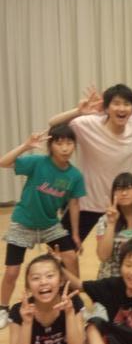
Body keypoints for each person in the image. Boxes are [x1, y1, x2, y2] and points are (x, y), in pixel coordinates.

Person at [0, 125, 85, 329]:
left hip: (49, 225)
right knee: (12, 271)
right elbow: (3, 162)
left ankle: (74, 300)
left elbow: (74, 203)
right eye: (59, 143)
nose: (65, 148)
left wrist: (75, 234)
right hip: (23, 222)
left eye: (69, 143)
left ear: (74, 146)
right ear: (51, 145)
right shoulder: (38, 162)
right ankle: (2, 308)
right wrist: (26, 146)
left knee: (71, 257)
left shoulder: (75, 175)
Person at [48, 84, 132, 242]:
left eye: (127, 104)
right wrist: (78, 111)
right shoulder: (87, 124)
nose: (121, 108)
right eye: (116, 103)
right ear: (106, 108)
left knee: (126, 251)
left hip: (120, 204)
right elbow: (54, 125)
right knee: (60, 248)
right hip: (86, 202)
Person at [96, 172, 132, 279]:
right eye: (119, 189)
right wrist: (111, 224)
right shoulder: (104, 220)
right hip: (110, 279)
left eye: (129, 188)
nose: (124, 193)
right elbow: (103, 256)